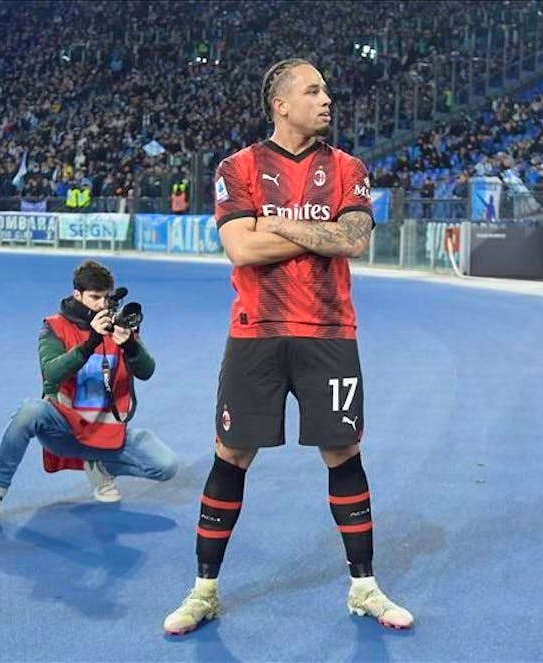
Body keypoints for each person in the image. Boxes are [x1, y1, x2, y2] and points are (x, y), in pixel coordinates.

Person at [162, 58, 413, 635]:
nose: (327, 100)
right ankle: (203, 591)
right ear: (281, 104)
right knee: (231, 455)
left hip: (330, 332)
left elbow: (353, 239)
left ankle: (364, 587)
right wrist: (318, 233)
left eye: (326, 91)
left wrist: (275, 223)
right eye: (313, 91)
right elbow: (241, 250)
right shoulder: (238, 167)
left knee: (343, 452)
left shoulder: (347, 167)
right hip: (257, 331)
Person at [0, 260, 178, 528]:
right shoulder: (54, 327)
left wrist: (131, 346)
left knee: (166, 465)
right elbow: (52, 374)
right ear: (77, 294)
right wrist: (90, 343)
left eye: (106, 298)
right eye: (95, 297)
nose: (102, 305)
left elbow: (147, 371)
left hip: (108, 433)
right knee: (29, 411)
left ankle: (98, 464)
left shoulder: (119, 327)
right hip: (64, 431)